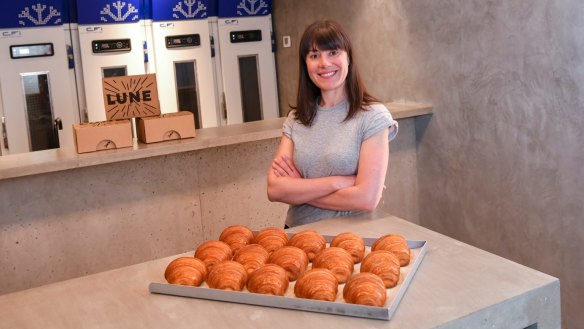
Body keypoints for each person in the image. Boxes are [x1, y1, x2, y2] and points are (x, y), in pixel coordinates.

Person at [267, 20, 398, 228]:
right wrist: (340, 182)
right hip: (296, 236)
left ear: (349, 58)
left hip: (350, 240)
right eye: (314, 55)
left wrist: (299, 188)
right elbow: (275, 190)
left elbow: (367, 199)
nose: (324, 63)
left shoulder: (373, 117)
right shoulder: (296, 118)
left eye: (333, 52)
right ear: (306, 64)